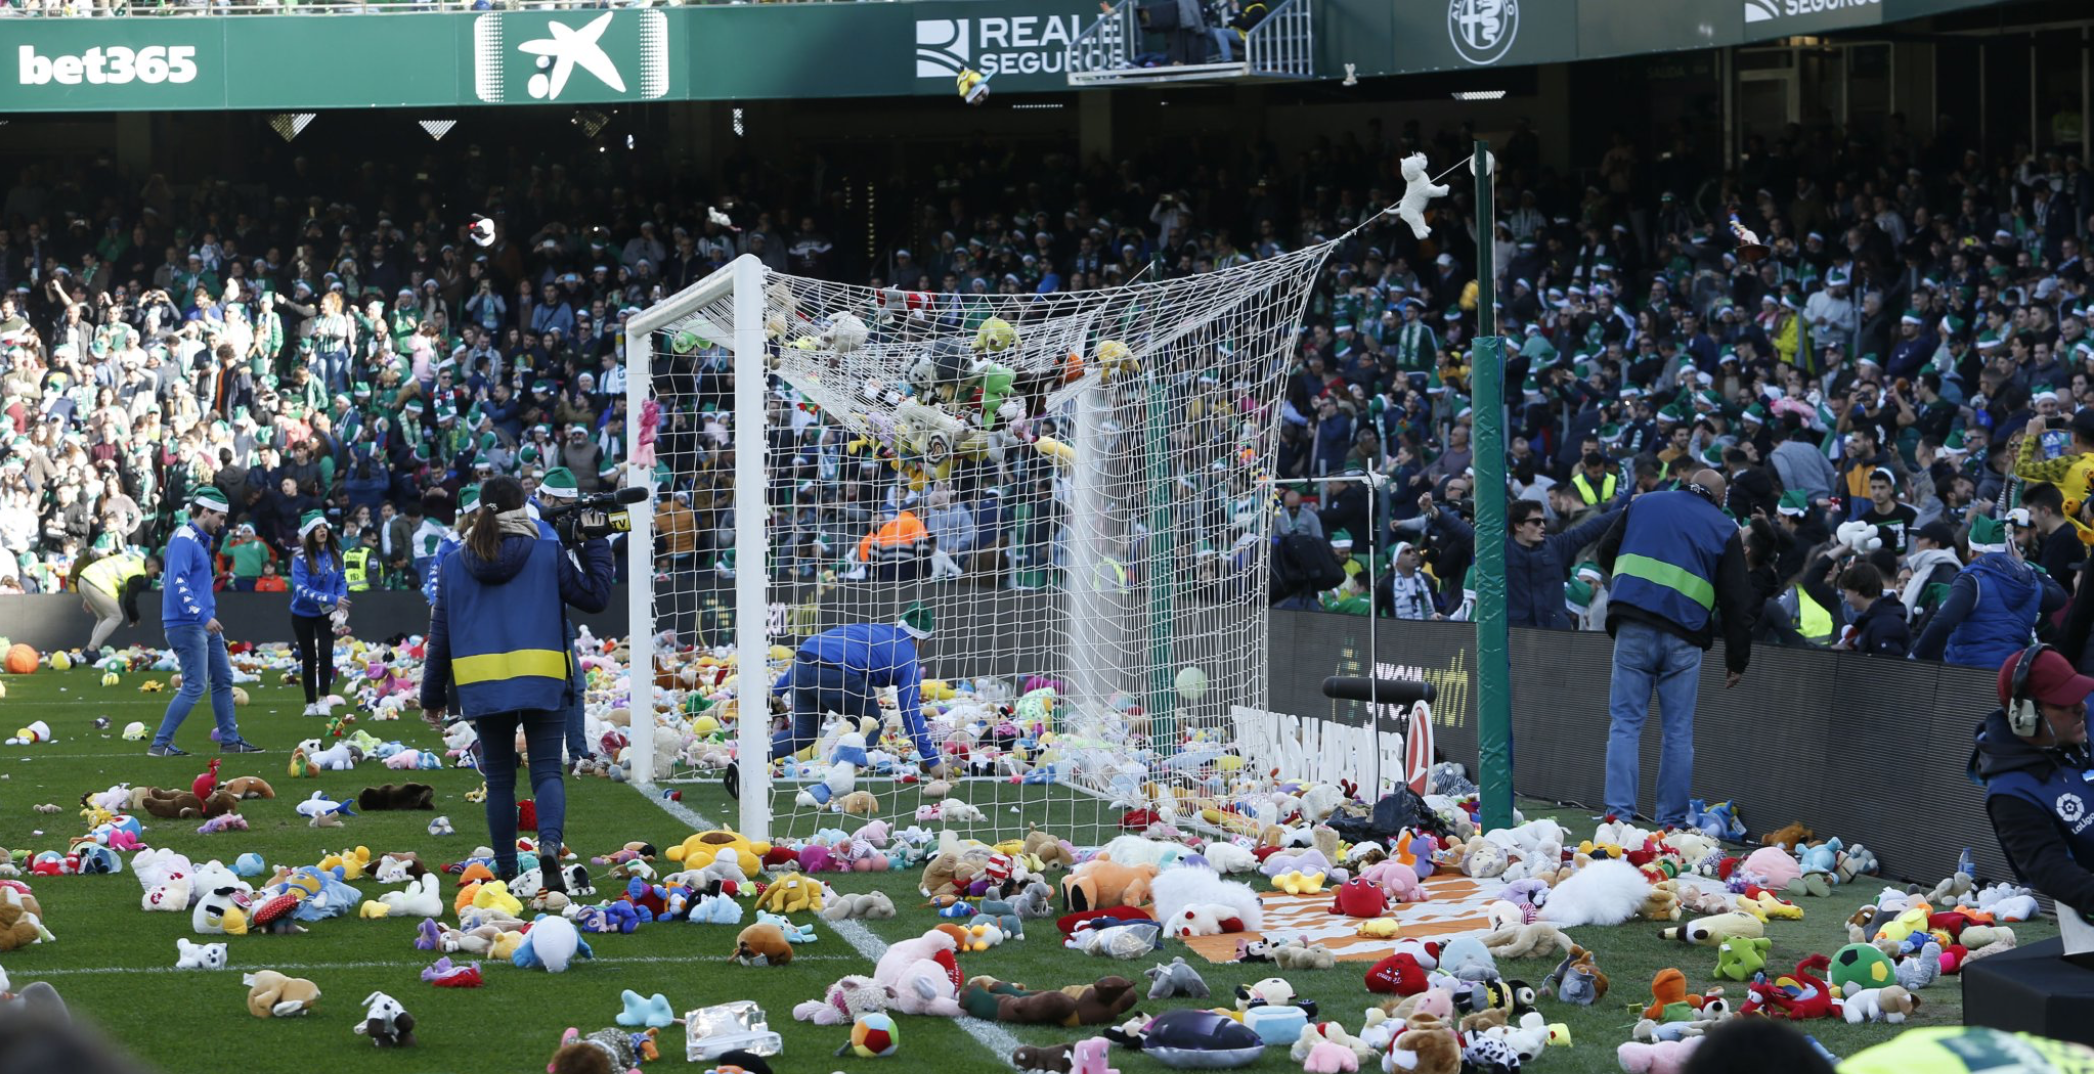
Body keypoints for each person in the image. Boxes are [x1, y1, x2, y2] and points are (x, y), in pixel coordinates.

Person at [420, 476, 614, 905]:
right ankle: (548, 847)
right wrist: (595, 539)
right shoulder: (545, 551)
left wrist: (432, 697)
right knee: (546, 772)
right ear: (522, 509)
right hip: (542, 678)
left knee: (501, 780)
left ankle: (507, 866)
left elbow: (440, 636)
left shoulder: (453, 562)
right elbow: (595, 596)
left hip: (483, 686)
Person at [1594, 469, 1755, 825]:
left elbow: (1605, 551)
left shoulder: (1644, 503)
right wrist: (1737, 658)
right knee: (1678, 733)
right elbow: (1737, 601)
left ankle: (1617, 818)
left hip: (1633, 625)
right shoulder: (1724, 527)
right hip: (1685, 636)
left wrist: (1629, 582)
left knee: (1625, 724)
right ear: (1721, 499)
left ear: (1685, 482)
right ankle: (1672, 822)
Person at [1971, 644, 2094, 928]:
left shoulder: (2076, 727)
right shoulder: (2010, 792)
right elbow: (2050, 870)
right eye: (2065, 702)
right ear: (2025, 716)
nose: (2082, 707)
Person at [148, 488, 263, 757]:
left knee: (223, 679)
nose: (222, 524)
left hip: (200, 622)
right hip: (188, 624)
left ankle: (230, 741)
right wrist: (202, 616)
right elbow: (176, 583)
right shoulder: (184, 539)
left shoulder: (199, 540)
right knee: (195, 685)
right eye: (220, 518)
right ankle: (160, 744)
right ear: (205, 512)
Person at [770, 603, 943, 777]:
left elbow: (817, 652)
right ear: (922, 641)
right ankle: (839, 780)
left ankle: (748, 759)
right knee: (872, 725)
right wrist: (933, 761)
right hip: (837, 672)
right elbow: (910, 712)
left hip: (802, 662)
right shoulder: (909, 659)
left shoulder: (878, 630)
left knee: (801, 734)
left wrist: (778, 690)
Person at [1422, 489, 1623, 630]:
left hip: (1556, 634)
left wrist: (1626, 510)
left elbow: (1592, 528)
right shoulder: (1500, 550)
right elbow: (1464, 533)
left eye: (1543, 520)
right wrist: (1434, 512)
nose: (1543, 525)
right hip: (1518, 636)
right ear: (1518, 526)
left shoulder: (1556, 545)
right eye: (1536, 522)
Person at [1913, 513, 2069, 669]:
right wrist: (2024, 564)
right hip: (2009, 675)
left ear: (1972, 552)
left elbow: (1943, 622)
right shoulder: (2029, 581)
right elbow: (2059, 596)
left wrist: (1916, 656)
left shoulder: (1970, 580)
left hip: (1967, 674)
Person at [528, 467, 595, 770]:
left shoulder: (553, 525)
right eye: (565, 507)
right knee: (543, 690)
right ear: (550, 499)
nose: (569, 515)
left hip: (556, 617)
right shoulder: (531, 522)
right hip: (534, 622)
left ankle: (577, 753)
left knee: (573, 686)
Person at [288, 510, 348, 717]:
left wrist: (341, 600)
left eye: (324, 527)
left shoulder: (336, 554)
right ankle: (310, 703)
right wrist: (333, 599)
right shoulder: (300, 558)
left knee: (326, 652)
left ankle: (324, 699)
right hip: (302, 613)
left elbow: (341, 580)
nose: (322, 531)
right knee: (308, 657)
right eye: (317, 528)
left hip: (327, 614)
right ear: (309, 533)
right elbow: (301, 590)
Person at [76, 547, 160, 649]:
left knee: (103, 617)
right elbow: (129, 601)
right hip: (97, 583)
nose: (153, 577)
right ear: (152, 566)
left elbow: (109, 569)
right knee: (116, 617)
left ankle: (92, 649)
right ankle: (91, 649)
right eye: (155, 573)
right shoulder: (139, 571)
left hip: (84, 578)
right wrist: (135, 618)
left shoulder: (132, 559)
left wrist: (88, 596)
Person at [1835, 561, 1910, 657]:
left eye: (1846, 592)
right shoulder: (1873, 621)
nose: (1846, 599)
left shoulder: (1885, 624)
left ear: (1857, 590)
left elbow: (1887, 666)